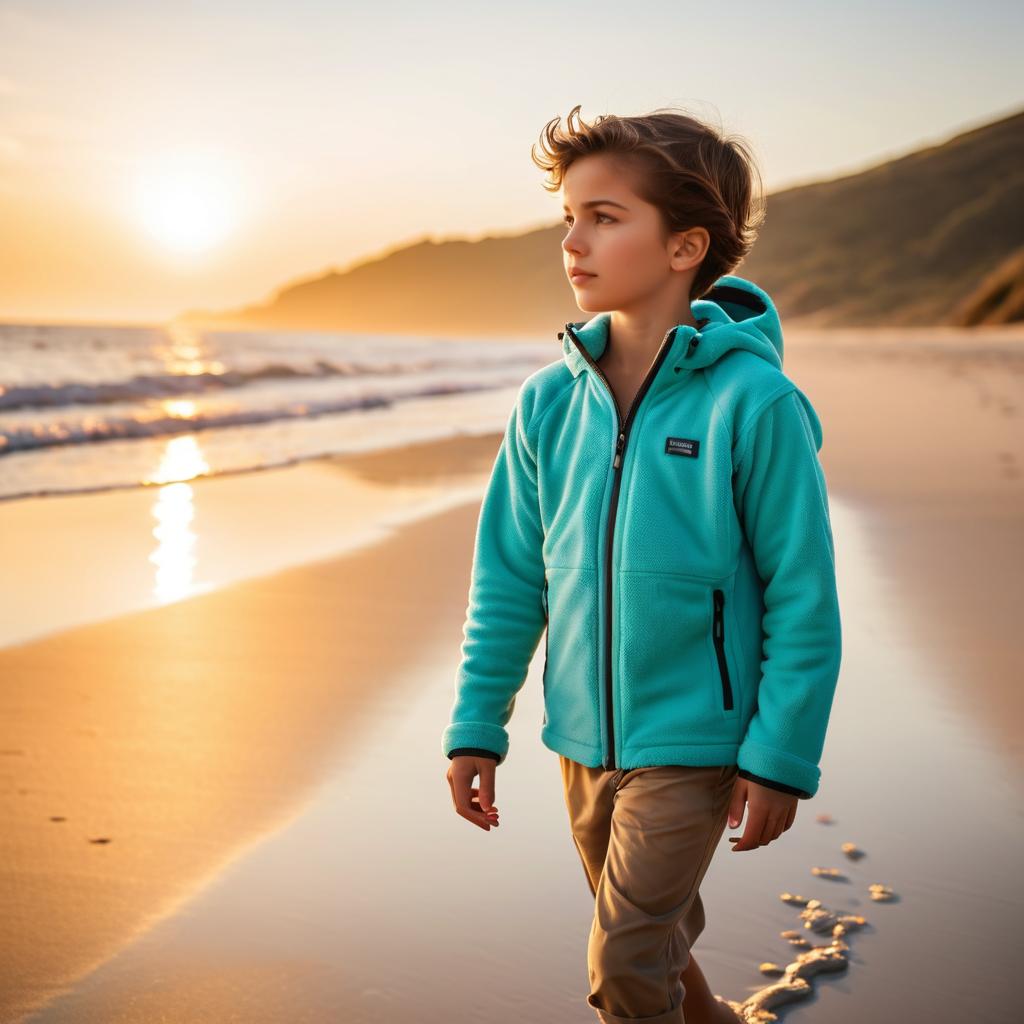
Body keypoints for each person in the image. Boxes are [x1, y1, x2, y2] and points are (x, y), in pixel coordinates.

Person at [442, 104, 843, 1024]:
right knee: (653, 951)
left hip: (697, 742)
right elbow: (509, 579)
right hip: (580, 739)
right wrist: (477, 724)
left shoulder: (755, 403)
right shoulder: (549, 404)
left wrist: (780, 754)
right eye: (569, 219)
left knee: (624, 967)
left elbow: (803, 596)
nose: (573, 241)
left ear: (684, 246)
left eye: (605, 217)